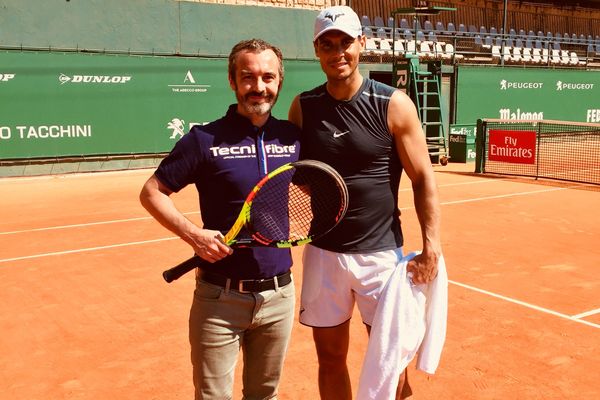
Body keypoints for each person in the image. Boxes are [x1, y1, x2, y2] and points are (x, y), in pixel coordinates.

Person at [288, 6, 442, 399]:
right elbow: (298, 177)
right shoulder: (303, 107)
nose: (337, 51)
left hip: (381, 258)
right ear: (317, 50)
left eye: (345, 42)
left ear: (362, 44)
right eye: (327, 44)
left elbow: (423, 176)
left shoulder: (394, 104)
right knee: (330, 358)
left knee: (392, 363)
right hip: (324, 255)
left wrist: (431, 246)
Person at [140, 38, 301, 399]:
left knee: (265, 395)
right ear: (233, 81)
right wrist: (194, 235)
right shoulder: (204, 139)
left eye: (268, 77)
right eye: (248, 77)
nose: (258, 87)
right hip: (219, 300)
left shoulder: (292, 138)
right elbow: (151, 192)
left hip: (279, 296)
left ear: (279, 82)